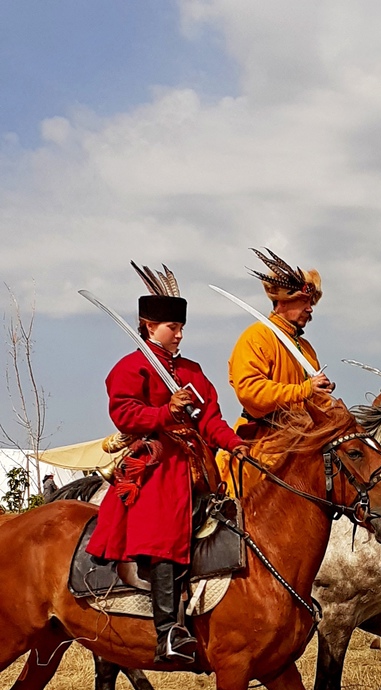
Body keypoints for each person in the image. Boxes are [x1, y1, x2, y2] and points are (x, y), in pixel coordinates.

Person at [87, 263, 249, 665]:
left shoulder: (192, 371)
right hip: (156, 464)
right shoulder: (130, 367)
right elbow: (125, 414)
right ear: (148, 325)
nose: (178, 334)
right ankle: (166, 632)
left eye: (180, 327)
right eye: (171, 327)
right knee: (161, 533)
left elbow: (211, 418)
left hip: (197, 464)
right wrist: (166, 412)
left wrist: (234, 444)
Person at [229, 248, 334, 433]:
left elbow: (318, 403)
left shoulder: (306, 348)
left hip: (302, 441)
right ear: (282, 301)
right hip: (262, 443)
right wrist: (304, 390)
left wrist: (323, 396)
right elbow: (250, 391)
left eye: (311, 302)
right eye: (304, 301)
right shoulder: (257, 336)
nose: (310, 309)